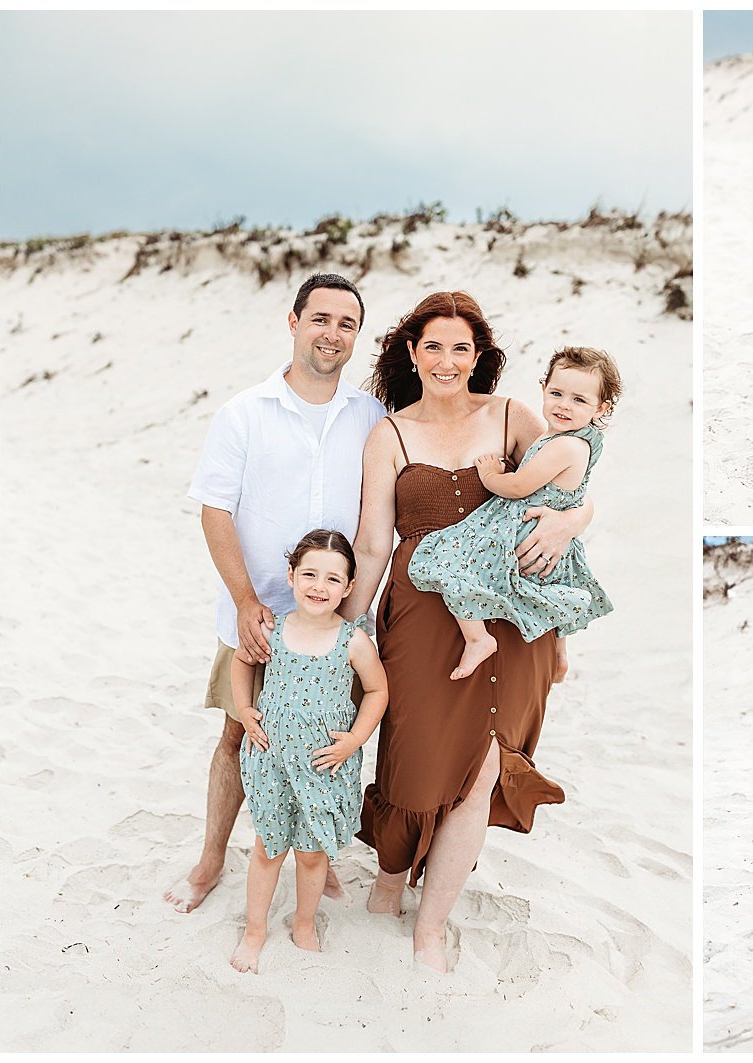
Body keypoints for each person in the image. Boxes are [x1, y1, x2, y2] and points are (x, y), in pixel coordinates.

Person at [341, 290, 589, 973]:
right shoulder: (388, 434)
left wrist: (573, 522)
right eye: (434, 346)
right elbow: (368, 544)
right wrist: (347, 630)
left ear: (479, 356)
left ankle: (432, 927)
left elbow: (568, 485)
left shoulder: (511, 415)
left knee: (481, 771)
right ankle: (389, 884)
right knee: (414, 767)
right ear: (412, 353)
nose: (447, 360)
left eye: (461, 347)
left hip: (511, 617)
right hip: (421, 613)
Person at [166, 273, 384, 914]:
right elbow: (214, 510)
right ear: (293, 322)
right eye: (321, 319)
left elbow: (379, 521)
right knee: (241, 737)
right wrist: (242, 600)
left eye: (347, 324)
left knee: (325, 737)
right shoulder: (244, 412)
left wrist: (355, 609)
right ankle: (210, 861)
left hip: (337, 620)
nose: (333, 334)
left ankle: (320, 854)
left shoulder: (370, 417)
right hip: (258, 614)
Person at [408, 346, 619, 682]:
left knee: (453, 558)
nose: (564, 405)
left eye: (579, 400)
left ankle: (477, 638)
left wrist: (490, 476)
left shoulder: (566, 445)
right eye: (557, 393)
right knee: (556, 582)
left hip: (524, 527)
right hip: (548, 531)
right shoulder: (567, 437)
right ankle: (560, 654)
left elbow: (520, 486)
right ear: (543, 389)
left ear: (601, 408)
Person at [229, 530, 387, 973]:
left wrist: (355, 739)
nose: (320, 586)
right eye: (310, 574)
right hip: (273, 760)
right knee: (268, 849)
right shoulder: (272, 628)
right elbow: (242, 662)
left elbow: (377, 690)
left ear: (349, 588)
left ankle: (303, 923)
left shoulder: (353, 640)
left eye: (333, 579)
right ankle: (254, 930)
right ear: (292, 576)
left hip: (323, 766)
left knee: (313, 853)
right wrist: (245, 709)